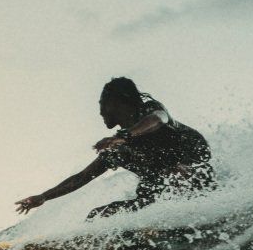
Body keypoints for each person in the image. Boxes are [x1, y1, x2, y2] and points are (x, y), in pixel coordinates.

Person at [15, 78, 215, 219]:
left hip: (192, 163)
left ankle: (203, 214)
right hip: (158, 182)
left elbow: (157, 120)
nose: (100, 112)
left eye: (102, 104)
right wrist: (43, 197)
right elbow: (82, 177)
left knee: (176, 173)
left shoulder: (149, 111)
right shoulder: (119, 150)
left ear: (116, 102)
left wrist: (125, 135)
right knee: (99, 215)